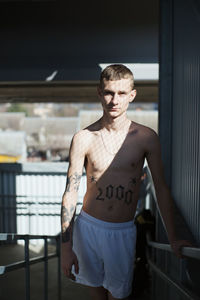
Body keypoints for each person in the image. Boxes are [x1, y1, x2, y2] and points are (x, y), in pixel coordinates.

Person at [61, 64, 190, 300]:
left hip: (122, 230)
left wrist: (172, 237)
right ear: (99, 92)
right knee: (97, 295)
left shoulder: (146, 137)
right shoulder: (83, 138)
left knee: (119, 295)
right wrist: (66, 247)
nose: (114, 100)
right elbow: (71, 191)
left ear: (132, 95)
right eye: (109, 92)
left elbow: (160, 188)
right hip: (88, 228)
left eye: (121, 93)